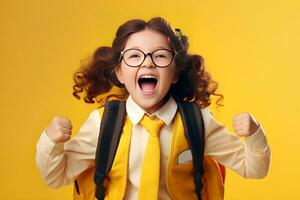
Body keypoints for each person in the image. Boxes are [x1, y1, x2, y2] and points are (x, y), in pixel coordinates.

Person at [36, 17, 271, 199]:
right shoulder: (102, 124)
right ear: (119, 72)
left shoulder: (198, 122)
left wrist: (253, 134)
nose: (147, 62)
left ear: (175, 72)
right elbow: (56, 177)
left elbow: (254, 169)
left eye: (160, 56)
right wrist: (52, 141)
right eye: (135, 56)